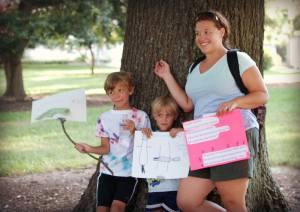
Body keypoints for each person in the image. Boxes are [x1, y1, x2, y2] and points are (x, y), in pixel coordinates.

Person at [153, 10, 269, 212]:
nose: (201, 38)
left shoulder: (237, 59)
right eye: (197, 33)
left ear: (221, 32)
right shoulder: (195, 67)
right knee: (187, 202)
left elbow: (261, 94)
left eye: (207, 31)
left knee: (233, 202)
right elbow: (189, 104)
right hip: (203, 136)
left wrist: (236, 101)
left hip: (233, 134)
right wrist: (166, 76)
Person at [75, 72, 151, 212]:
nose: (116, 95)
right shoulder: (104, 118)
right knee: (101, 209)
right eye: (111, 92)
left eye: (120, 90)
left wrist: (134, 131)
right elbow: (105, 148)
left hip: (128, 173)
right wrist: (88, 148)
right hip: (107, 172)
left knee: (117, 208)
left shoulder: (140, 116)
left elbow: (148, 144)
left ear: (131, 90)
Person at [141, 96, 183, 212]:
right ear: (154, 116)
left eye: (168, 115)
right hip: (155, 189)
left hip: (174, 189)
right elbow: (140, 150)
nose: (164, 119)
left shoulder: (179, 135)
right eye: (160, 115)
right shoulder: (150, 136)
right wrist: (143, 134)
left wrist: (181, 132)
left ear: (174, 116)